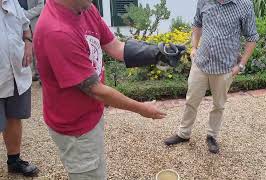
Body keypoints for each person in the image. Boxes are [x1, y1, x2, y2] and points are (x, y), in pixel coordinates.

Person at [33, 0, 184, 179]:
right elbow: (96, 90)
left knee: (96, 166)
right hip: (74, 127)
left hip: (90, 113)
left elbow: (116, 47)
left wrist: (157, 53)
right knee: (90, 173)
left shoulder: (84, 7)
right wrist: (142, 109)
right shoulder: (56, 31)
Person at [164, 0, 259, 154]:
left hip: (224, 67)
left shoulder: (244, 4)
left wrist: (241, 65)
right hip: (201, 63)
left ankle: (212, 136)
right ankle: (183, 133)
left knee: (219, 105)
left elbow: (252, 37)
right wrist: (194, 47)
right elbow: (197, 23)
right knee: (191, 101)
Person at [0, 0, 39, 177]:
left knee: (14, 116)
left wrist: (28, 42)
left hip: (16, 71)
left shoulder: (12, 2)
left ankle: (14, 161)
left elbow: (25, 25)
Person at [18, 0, 44, 82]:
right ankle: (36, 73)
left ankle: (42, 76)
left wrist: (24, 15)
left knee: (39, 50)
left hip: (34, 23)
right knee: (28, 50)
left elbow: (41, 7)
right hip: (21, 25)